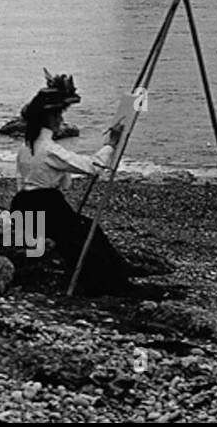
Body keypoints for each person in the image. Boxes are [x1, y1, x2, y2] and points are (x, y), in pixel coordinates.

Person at [10, 71, 136, 295]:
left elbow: (24, 181)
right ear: (50, 119)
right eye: (59, 116)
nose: (61, 121)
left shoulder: (26, 146)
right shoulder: (49, 149)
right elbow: (93, 168)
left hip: (24, 206)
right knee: (84, 235)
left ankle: (118, 270)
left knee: (85, 228)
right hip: (44, 207)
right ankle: (110, 281)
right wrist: (111, 144)